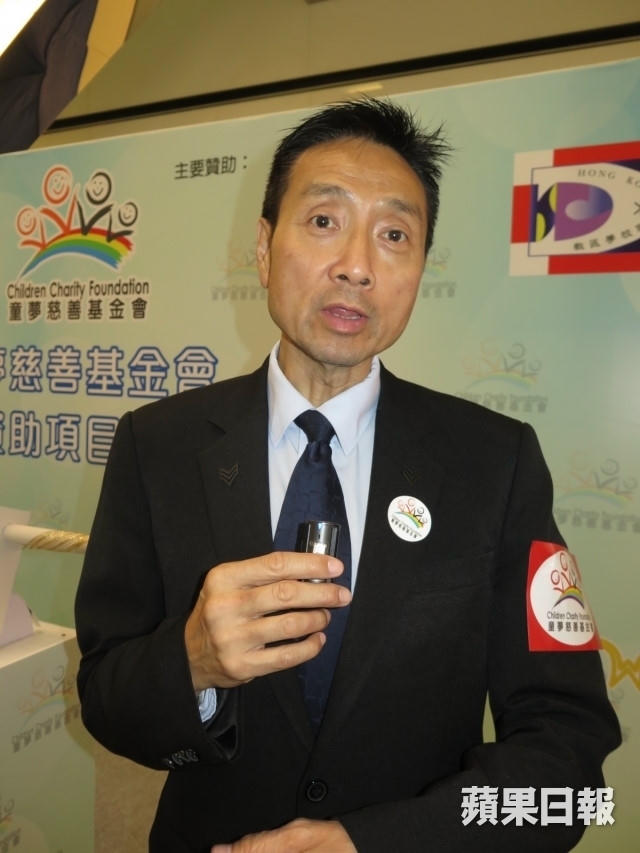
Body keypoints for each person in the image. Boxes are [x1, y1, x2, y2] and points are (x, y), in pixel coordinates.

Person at [75, 99, 620, 853]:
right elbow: (105, 697)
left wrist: (380, 841)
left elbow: (569, 764)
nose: (357, 266)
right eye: (325, 220)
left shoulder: (495, 462)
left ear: (420, 269)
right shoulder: (156, 444)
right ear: (264, 249)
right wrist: (192, 660)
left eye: (394, 235)